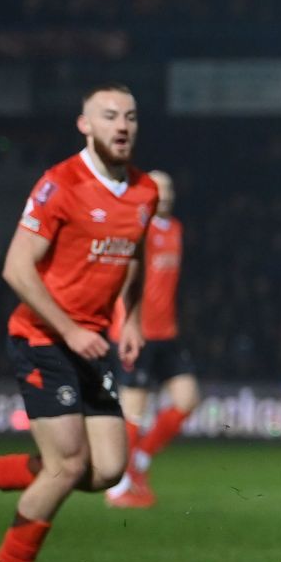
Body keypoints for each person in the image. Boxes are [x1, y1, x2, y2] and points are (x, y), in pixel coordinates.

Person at [0, 86, 157, 562]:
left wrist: (132, 320)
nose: (121, 125)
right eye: (109, 116)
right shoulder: (61, 183)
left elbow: (135, 257)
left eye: (130, 116)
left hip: (92, 343)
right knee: (68, 464)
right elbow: (16, 266)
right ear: (85, 125)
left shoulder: (145, 192)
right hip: (42, 339)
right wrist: (71, 328)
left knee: (106, 470)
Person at [104, 170, 200, 508]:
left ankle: (141, 459)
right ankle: (117, 486)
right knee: (134, 411)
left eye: (170, 188)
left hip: (167, 333)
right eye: (160, 189)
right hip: (136, 333)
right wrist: (127, 321)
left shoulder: (175, 228)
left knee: (187, 398)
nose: (167, 195)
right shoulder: (136, 230)